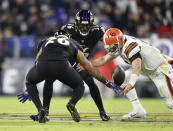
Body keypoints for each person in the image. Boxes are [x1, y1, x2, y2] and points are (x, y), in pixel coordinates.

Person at [18, 9, 146, 120]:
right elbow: (54, 47)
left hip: (80, 60)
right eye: (82, 26)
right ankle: (46, 110)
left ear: (91, 25)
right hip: (66, 60)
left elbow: (111, 41)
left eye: (87, 26)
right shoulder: (67, 30)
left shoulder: (97, 31)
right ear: (76, 24)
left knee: (90, 82)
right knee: (52, 80)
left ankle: (102, 111)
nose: (84, 28)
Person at [91, 28, 173, 119]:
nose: (110, 49)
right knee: (124, 77)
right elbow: (104, 59)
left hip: (159, 70)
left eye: (112, 46)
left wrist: (130, 85)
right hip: (148, 69)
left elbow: (136, 66)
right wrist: (86, 64)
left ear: (118, 42)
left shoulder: (129, 46)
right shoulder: (120, 42)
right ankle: (138, 110)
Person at [22, 29, 121, 123]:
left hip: (44, 64)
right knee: (81, 85)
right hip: (62, 65)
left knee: (33, 81)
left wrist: (30, 89)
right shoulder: (73, 43)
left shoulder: (46, 41)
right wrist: (106, 82)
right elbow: (88, 67)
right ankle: (73, 103)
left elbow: (38, 58)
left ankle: (41, 110)